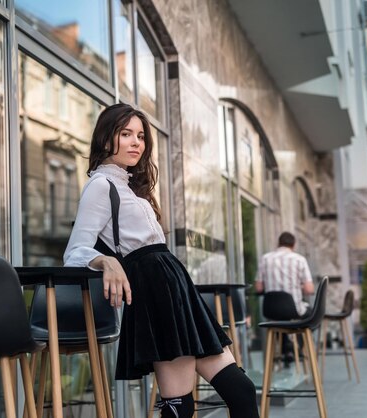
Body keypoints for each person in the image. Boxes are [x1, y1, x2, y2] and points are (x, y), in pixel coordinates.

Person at [64, 104, 259, 418]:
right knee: (179, 406)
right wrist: (107, 262)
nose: (136, 143)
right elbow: (74, 252)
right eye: (125, 134)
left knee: (241, 390)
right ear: (105, 139)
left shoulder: (131, 188)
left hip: (176, 289)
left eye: (140, 136)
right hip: (156, 293)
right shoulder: (101, 185)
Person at [255, 231, 314, 364]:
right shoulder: (299, 259)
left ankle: (285, 347)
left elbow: (258, 288)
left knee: (277, 320)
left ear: (278, 243)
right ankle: (296, 346)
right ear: (293, 245)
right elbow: (309, 289)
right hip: (294, 309)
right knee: (311, 315)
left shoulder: (265, 258)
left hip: (271, 309)